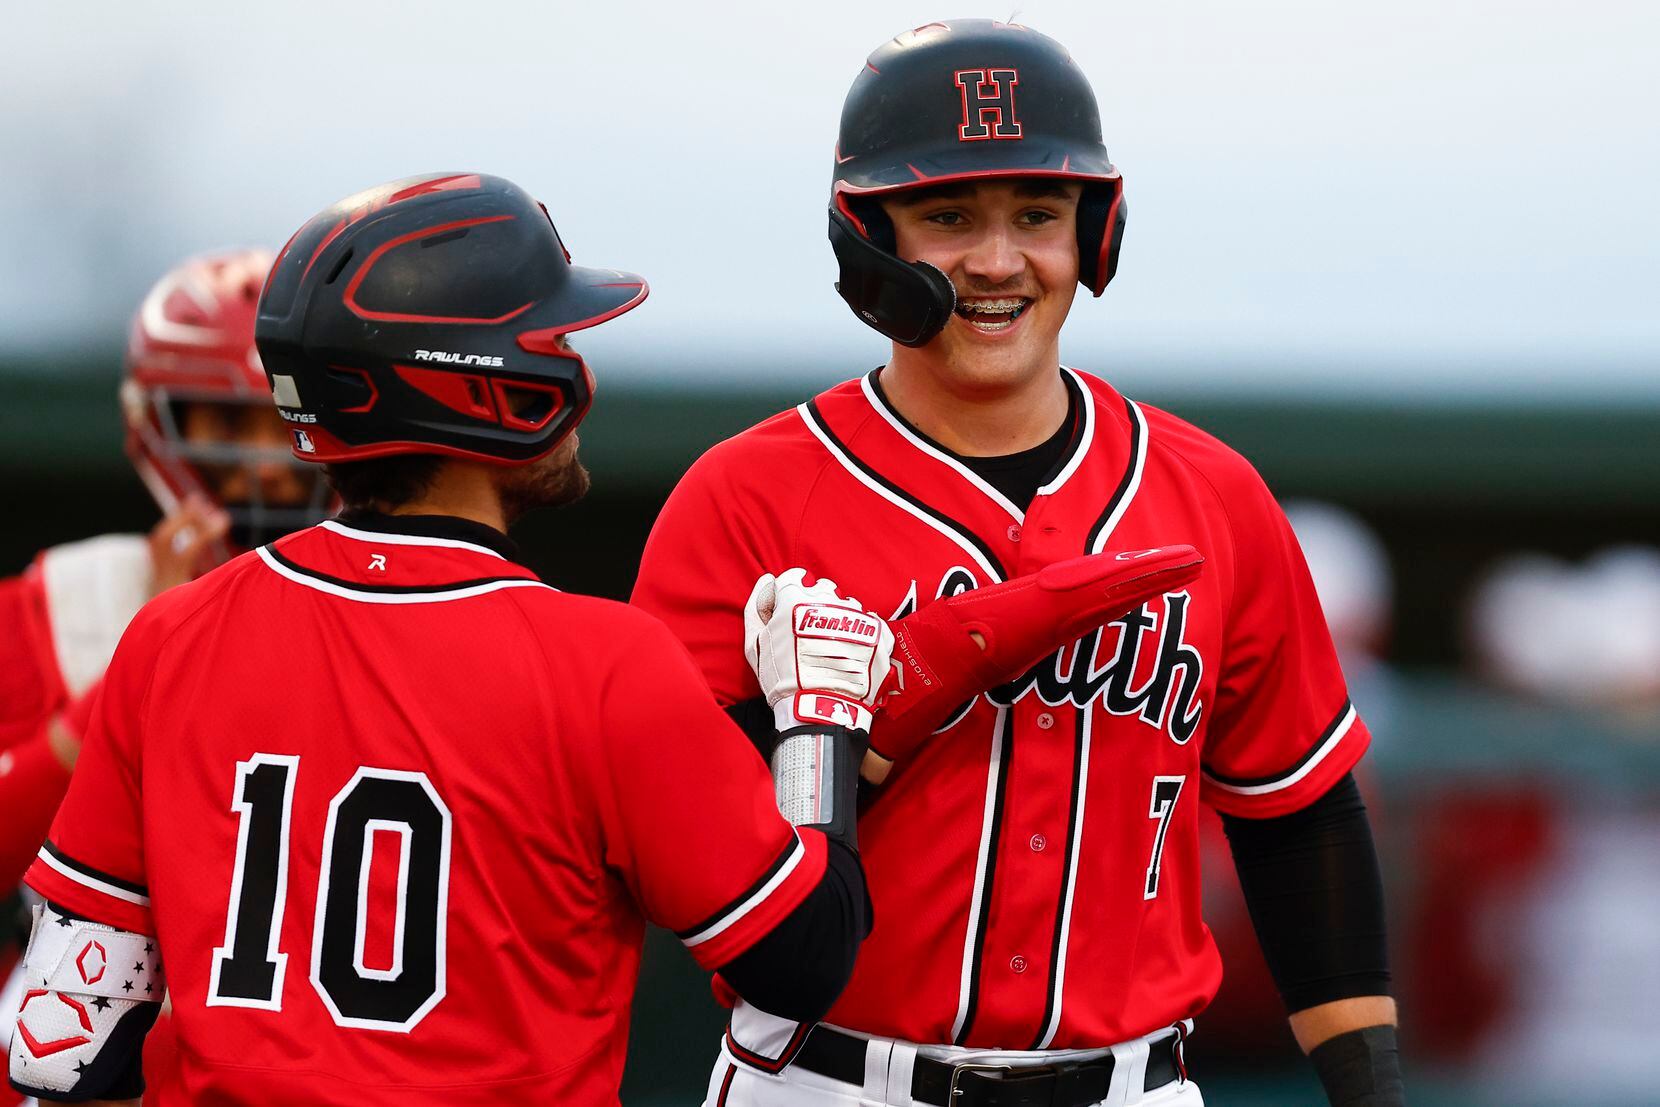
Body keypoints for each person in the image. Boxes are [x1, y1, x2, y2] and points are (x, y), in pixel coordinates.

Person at [4, 172, 1188, 1107]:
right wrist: (824, 722)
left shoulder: (168, 641)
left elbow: (63, 1046)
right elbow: (801, 960)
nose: (570, 360)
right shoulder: (598, 661)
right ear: (482, 386)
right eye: (549, 339)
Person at [632, 20, 1403, 1107]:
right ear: (869, 239)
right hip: (827, 1079)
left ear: (1096, 233)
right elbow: (672, 845)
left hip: (1132, 1084)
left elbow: (1298, 812)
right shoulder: (747, 495)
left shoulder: (1212, 495)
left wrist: (1369, 1092)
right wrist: (850, 737)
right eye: (946, 216)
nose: (998, 263)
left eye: (1037, 216)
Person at [0, 247, 329, 893]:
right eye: (231, 418)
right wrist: (137, 666)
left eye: (287, 419)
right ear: (156, 420)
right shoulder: (57, 606)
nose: (265, 462)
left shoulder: (398, 600)